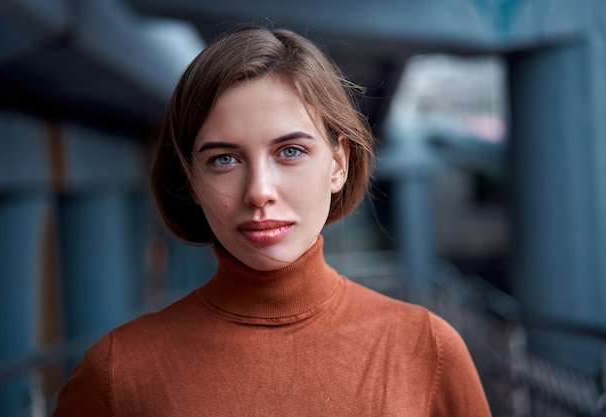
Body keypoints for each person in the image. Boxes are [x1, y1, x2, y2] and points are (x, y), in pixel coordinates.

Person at [53, 25, 492, 416]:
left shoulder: (426, 350)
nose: (259, 191)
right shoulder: (117, 374)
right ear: (191, 181)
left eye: (290, 151)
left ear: (338, 164)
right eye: (224, 159)